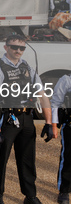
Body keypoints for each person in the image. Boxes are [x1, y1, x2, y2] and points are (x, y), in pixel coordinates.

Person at [0, 34, 53, 204]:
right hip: (9, 118)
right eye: (14, 47)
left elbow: (42, 95)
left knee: (27, 159)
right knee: (1, 158)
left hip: (27, 118)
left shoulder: (27, 67)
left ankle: (30, 196)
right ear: (6, 47)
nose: (18, 51)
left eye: (21, 48)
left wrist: (49, 122)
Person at [51, 74, 71, 204]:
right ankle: (64, 190)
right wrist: (53, 125)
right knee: (68, 158)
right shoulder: (67, 79)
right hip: (70, 126)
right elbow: (55, 103)